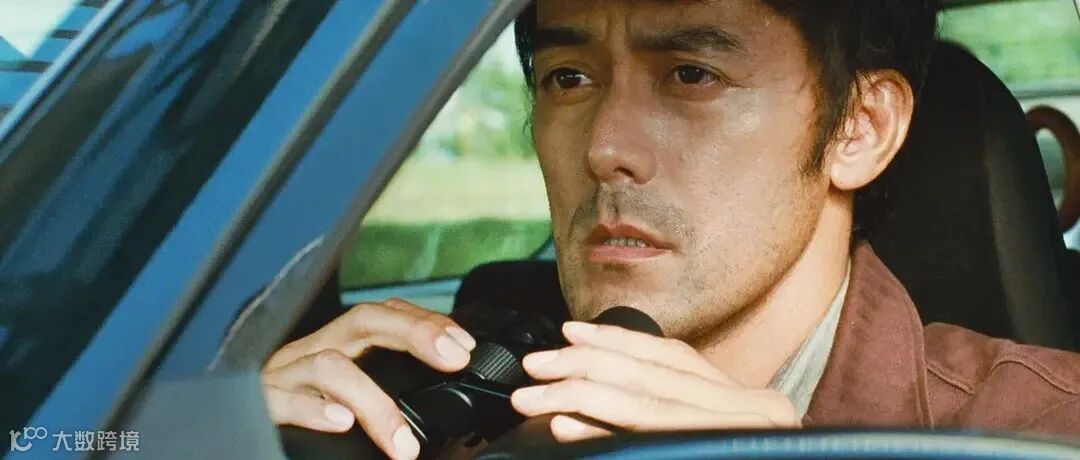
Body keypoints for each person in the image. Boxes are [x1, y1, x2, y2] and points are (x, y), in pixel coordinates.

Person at [260, 1, 1080, 459]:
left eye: (693, 74)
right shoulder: (427, 396)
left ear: (857, 129)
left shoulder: (1045, 432)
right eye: (568, 78)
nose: (606, 148)